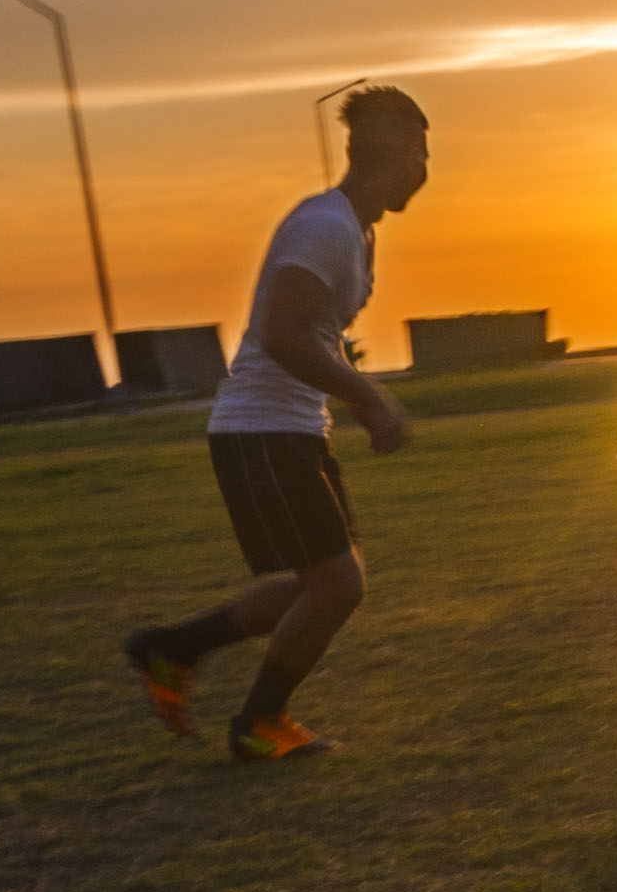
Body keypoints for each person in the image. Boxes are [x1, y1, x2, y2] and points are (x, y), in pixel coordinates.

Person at [122, 87, 430, 761]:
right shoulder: (324, 226)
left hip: (289, 428)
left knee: (318, 584)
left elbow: (314, 334)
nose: (426, 169)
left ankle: (172, 649)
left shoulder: (353, 228)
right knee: (336, 585)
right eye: (425, 153)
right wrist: (370, 398)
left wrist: (347, 399)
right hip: (262, 428)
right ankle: (260, 722)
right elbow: (283, 333)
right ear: (408, 154)